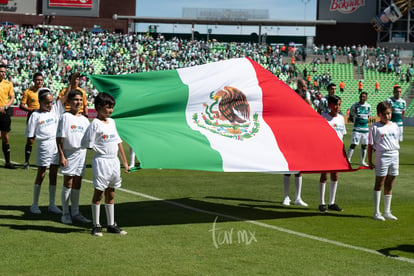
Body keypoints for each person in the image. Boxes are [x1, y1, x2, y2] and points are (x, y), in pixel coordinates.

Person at [81, 92, 130, 237]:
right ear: (98, 107)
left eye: (111, 108)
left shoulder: (112, 122)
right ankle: (96, 225)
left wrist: (125, 162)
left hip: (113, 161)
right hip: (102, 161)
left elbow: (118, 142)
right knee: (99, 192)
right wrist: (99, 148)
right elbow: (87, 143)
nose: (110, 111)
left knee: (111, 192)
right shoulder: (95, 124)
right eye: (107, 108)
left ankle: (111, 224)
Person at [26, 87, 68, 214]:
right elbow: (30, 136)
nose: (49, 105)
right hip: (43, 145)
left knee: (54, 174)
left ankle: (52, 204)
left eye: (51, 102)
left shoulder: (54, 111)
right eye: (46, 103)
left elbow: (65, 97)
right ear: (40, 101)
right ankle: (34, 204)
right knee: (42, 173)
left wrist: (71, 83)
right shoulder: (35, 115)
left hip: (55, 145)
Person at [56, 89, 91, 224]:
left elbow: (88, 140)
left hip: (82, 153)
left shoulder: (84, 120)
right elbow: (59, 139)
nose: (78, 102)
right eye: (76, 100)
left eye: (80, 100)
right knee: (68, 182)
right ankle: (65, 213)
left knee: (78, 182)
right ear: (69, 102)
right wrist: (62, 156)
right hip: (69, 153)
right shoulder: (65, 117)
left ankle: (75, 212)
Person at [368, 101, 400, 221]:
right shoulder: (375, 127)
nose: (387, 116)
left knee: (390, 183)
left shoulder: (395, 126)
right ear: (379, 114)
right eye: (385, 114)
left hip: (394, 155)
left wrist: (397, 160)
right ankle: (376, 212)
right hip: (382, 156)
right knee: (379, 183)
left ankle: (387, 211)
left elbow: (396, 143)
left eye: (389, 113)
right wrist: (370, 161)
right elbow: (370, 145)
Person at [282, 79, 310, 207]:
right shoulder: (289, 111)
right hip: (289, 139)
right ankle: (286, 196)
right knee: (287, 168)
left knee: (299, 169)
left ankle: (298, 197)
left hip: (300, 140)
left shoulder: (304, 112)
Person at [319, 95, 346, 213]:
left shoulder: (341, 118)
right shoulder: (324, 117)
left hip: (338, 151)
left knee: (335, 175)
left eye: (339, 104)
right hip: (326, 150)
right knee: (324, 175)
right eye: (335, 104)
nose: (337, 107)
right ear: (329, 105)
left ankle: (332, 202)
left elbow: (342, 135)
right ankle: (321, 203)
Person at [20, 72, 43, 169]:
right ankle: (26, 162)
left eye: (41, 80)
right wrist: (31, 110)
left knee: (45, 139)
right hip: (33, 116)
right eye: (37, 80)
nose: (39, 82)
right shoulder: (28, 92)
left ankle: (44, 162)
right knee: (30, 140)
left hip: (44, 117)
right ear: (33, 80)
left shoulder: (45, 91)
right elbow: (21, 105)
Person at [347, 92, 371, 167]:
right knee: (353, 144)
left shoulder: (368, 106)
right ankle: (348, 159)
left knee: (364, 145)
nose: (362, 98)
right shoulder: (355, 106)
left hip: (365, 129)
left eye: (364, 97)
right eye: (361, 96)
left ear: (366, 98)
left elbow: (368, 116)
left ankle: (362, 161)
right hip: (357, 128)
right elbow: (351, 116)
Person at [0, 64, 16, 169]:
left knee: (5, 137)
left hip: (4, 113)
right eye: (1, 71)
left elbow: (12, 97)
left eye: (4, 72)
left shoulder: (8, 84)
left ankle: (8, 162)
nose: (2, 73)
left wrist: (5, 107)